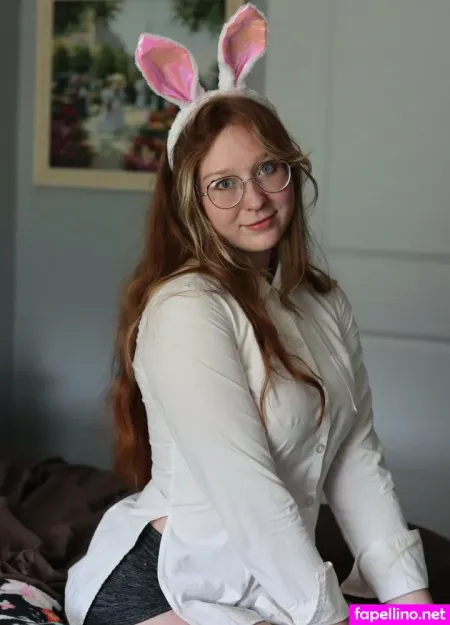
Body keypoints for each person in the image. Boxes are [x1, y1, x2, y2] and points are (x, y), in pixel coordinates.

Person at [64, 4, 431, 625]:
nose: (255, 198)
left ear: (292, 170)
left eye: (267, 169)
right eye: (224, 183)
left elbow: (355, 458)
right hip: (168, 584)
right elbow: (248, 494)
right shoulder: (186, 312)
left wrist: (412, 604)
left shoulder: (322, 301)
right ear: (192, 202)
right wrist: (332, 617)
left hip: (275, 584)